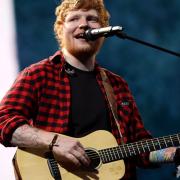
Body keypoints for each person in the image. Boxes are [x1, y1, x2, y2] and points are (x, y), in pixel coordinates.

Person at [0, 0, 179, 179]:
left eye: (92, 19)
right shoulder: (38, 75)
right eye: (74, 18)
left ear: (103, 32)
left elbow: (140, 148)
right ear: (61, 30)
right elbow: (3, 121)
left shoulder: (117, 85)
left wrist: (173, 153)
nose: (84, 24)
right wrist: (54, 142)